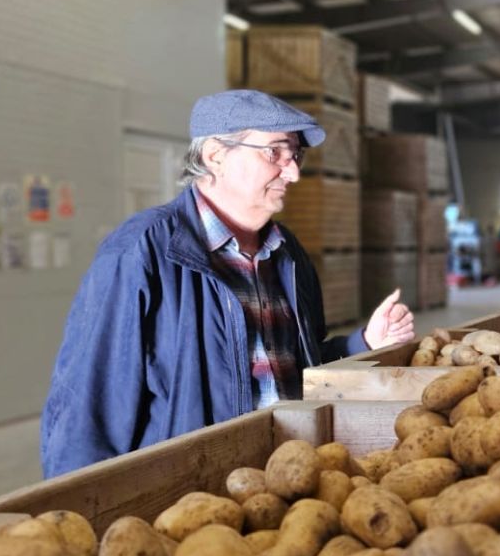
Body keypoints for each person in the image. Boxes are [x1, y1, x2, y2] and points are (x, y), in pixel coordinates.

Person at [40, 90, 416, 477]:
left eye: (296, 155)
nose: (293, 172)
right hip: (189, 495)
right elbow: (88, 408)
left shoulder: (288, 255)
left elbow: (298, 368)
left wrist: (364, 344)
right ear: (215, 155)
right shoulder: (142, 252)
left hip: (286, 481)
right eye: (275, 152)